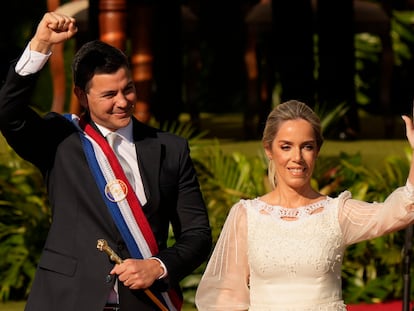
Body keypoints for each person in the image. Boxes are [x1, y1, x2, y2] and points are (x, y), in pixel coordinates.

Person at [0, 12, 212, 311]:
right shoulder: (58, 140)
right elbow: (9, 114)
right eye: (109, 94)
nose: (123, 101)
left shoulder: (170, 148)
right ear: (81, 95)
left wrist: (157, 266)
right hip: (66, 300)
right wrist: (40, 45)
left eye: (127, 88)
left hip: (144, 302)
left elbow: (197, 235)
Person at [195, 99, 414, 310]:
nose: (297, 157)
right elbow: (224, 299)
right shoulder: (246, 215)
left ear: (317, 150)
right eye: (286, 147)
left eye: (307, 146)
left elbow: (401, 209)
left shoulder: (336, 213)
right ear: (269, 150)